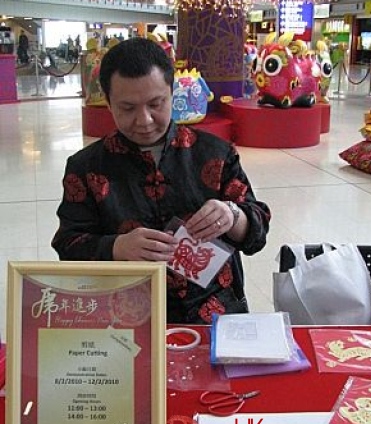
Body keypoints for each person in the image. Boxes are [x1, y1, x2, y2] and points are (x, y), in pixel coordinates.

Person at [51, 38, 271, 324]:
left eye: (156, 104)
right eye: (127, 108)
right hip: (126, 321)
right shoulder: (85, 167)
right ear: (107, 101)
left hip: (215, 314)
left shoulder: (216, 154)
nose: (144, 121)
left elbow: (258, 232)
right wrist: (117, 247)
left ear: (172, 91)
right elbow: (68, 246)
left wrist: (232, 215)